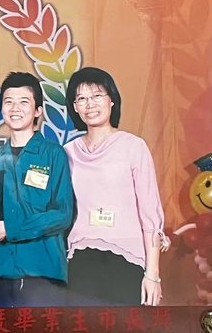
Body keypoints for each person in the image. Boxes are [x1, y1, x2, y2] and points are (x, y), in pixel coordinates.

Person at [0, 72, 73, 307]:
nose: (15, 108)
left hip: (43, 272)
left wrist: (11, 228)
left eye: (24, 102)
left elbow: (62, 214)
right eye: (8, 102)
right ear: (1, 109)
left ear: (38, 111)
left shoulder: (53, 154)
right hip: (0, 272)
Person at [64, 66, 167, 306]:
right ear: (75, 107)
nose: (90, 104)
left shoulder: (133, 147)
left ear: (111, 100)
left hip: (126, 259)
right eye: (82, 99)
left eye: (97, 95)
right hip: (80, 260)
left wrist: (153, 275)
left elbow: (150, 214)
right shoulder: (68, 152)